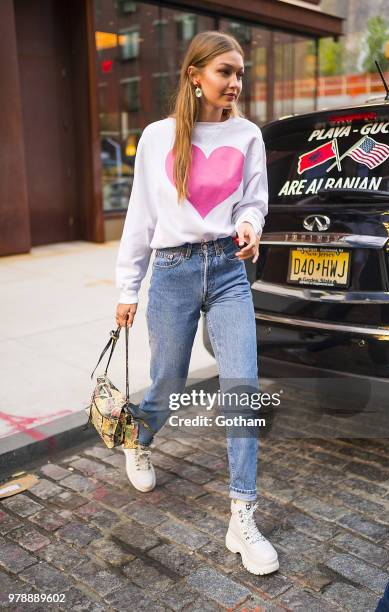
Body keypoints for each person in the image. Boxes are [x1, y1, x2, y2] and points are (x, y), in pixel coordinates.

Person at [114, 30, 279, 576]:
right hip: (172, 271)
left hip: (229, 269)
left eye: (240, 73)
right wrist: (126, 289)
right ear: (195, 75)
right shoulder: (160, 137)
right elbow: (141, 216)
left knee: (243, 387)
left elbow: (254, 199)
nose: (235, 82)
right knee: (168, 382)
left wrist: (250, 225)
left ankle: (242, 514)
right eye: (224, 72)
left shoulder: (249, 135)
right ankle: (139, 437)